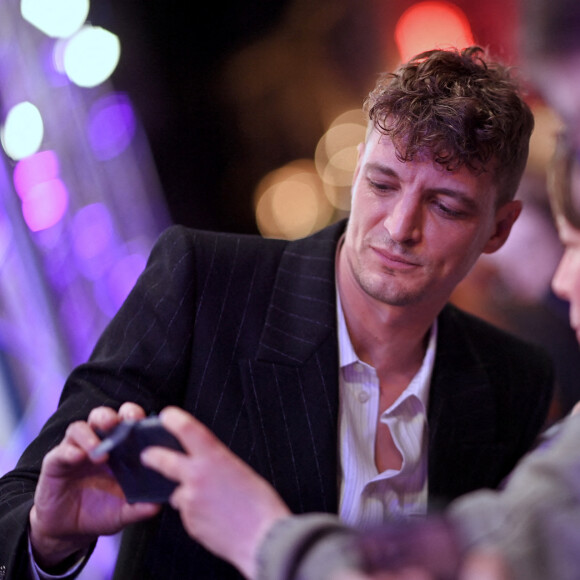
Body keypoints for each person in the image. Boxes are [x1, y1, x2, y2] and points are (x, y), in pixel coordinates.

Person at [0, 46, 553, 579]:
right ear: (358, 170)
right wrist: (48, 541)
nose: (399, 227)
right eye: (383, 184)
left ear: (499, 228)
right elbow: (25, 495)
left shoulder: (515, 379)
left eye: (445, 206)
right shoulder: (205, 281)